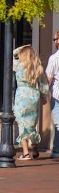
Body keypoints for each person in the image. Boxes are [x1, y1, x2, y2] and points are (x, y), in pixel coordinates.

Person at [13, 44, 50, 161]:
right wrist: (43, 97)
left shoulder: (19, 66)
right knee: (32, 123)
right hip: (33, 95)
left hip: (22, 96)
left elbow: (14, 53)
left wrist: (23, 47)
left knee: (22, 124)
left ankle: (25, 153)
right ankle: (34, 146)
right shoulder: (36, 68)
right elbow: (43, 84)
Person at [44, 29, 59, 159]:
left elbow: (48, 78)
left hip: (57, 94)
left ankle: (56, 150)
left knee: (58, 124)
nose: (54, 41)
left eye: (55, 39)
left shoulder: (54, 58)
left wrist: (43, 94)